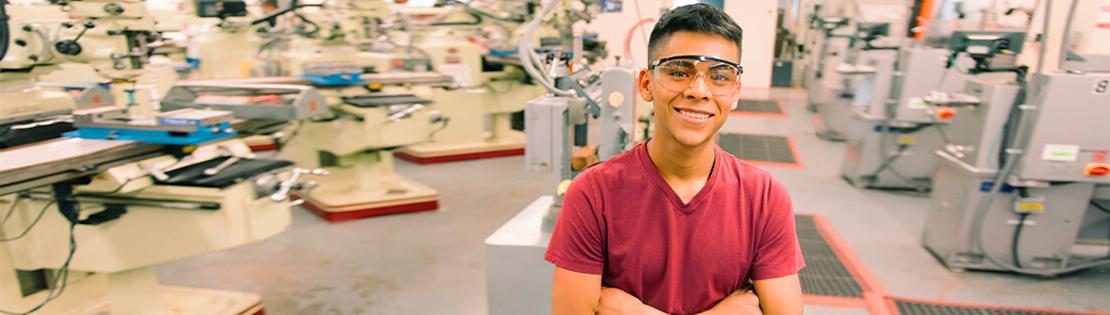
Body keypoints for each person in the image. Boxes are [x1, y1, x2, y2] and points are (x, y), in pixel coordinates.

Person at [545, 4, 805, 315]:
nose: (698, 90)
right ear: (645, 84)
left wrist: (632, 311)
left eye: (719, 76)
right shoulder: (594, 193)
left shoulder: (764, 196)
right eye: (679, 72)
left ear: (735, 92)